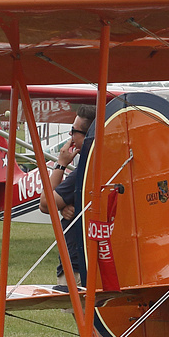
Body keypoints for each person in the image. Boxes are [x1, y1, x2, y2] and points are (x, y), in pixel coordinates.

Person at [39, 105, 97, 287]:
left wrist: (61, 164)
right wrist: (66, 206)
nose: (71, 136)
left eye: (74, 131)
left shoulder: (83, 171)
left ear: (88, 135)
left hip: (78, 263)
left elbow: (45, 204)